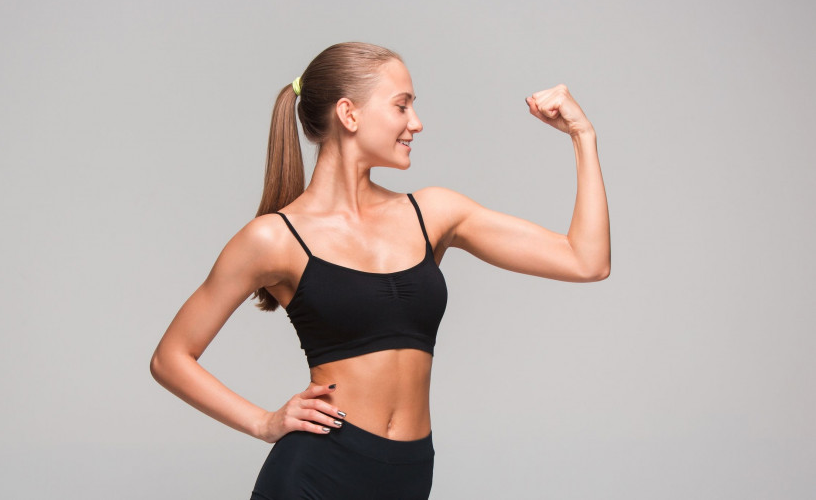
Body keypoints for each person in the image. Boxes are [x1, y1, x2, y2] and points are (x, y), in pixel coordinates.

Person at [150, 42, 609, 500]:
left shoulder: (433, 213)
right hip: (315, 477)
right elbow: (170, 357)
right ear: (349, 114)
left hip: (406, 478)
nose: (417, 122)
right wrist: (263, 422)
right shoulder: (275, 238)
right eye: (402, 105)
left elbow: (586, 261)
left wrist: (582, 136)